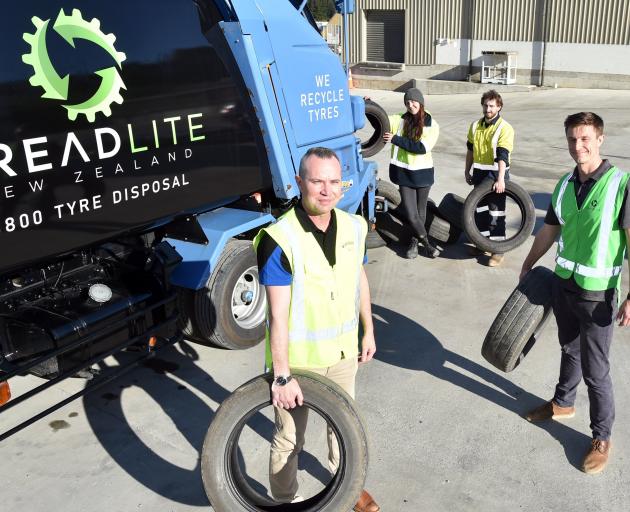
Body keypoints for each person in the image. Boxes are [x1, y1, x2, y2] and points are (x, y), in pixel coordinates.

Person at [254, 147, 380, 511]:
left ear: (342, 184)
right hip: (300, 364)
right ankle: (285, 500)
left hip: (343, 355)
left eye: (333, 181)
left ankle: (349, 489)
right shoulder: (280, 239)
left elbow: (359, 280)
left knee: (345, 431)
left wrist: (368, 330)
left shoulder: (355, 227)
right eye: (316, 181)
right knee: (289, 439)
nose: (326, 190)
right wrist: (281, 376)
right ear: (299, 183)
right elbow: (277, 315)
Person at [520, 112, 630, 474]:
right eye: (571, 139)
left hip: (598, 295)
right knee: (568, 348)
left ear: (600, 139)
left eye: (584, 139)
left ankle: (602, 436)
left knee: (596, 370)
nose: (577, 146)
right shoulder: (565, 184)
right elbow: (550, 229)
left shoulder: (619, 184)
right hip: (564, 284)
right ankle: (563, 403)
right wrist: (529, 262)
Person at [384, 87, 440, 259]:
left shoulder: (431, 123)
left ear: (421, 102)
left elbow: (421, 148)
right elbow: (381, 120)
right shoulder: (400, 119)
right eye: (407, 102)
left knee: (420, 212)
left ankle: (414, 243)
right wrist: (368, 104)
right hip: (404, 174)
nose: (410, 105)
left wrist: (395, 139)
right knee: (411, 213)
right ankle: (428, 245)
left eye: (413, 101)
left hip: (422, 173)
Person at [464, 90, 515, 267]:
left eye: (492, 106)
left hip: (495, 176)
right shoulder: (475, 126)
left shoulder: (504, 128)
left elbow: (503, 155)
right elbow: (470, 150)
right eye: (486, 105)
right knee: (480, 211)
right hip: (479, 174)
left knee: (496, 213)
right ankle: (482, 244)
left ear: (499, 107)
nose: (488, 109)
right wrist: (467, 170)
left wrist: (501, 179)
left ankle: (498, 250)